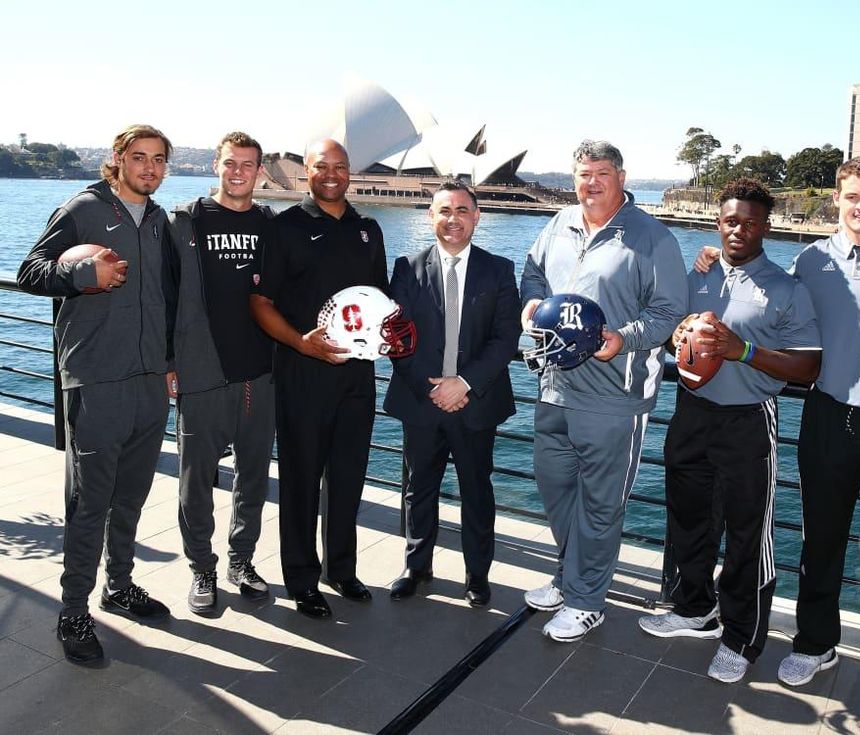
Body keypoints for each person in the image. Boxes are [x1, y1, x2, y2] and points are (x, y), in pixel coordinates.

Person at [695, 157, 860, 718]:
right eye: (852, 196)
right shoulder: (812, 260)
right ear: (837, 199)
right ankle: (815, 644)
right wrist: (710, 259)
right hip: (827, 419)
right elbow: (771, 302)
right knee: (821, 543)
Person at [637, 178, 821, 683]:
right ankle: (695, 608)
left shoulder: (786, 288)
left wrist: (744, 350)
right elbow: (672, 331)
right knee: (689, 519)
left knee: (747, 535)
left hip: (748, 420)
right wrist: (677, 335)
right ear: (718, 223)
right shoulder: (699, 275)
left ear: (766, 227)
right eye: (731, 221)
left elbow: (808, 367)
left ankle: (741, 638)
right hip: (691, 413)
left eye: (750, 223)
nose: (739, 230)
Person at [17, 124, 176, 664]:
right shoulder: (83, 209)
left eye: (159, 159)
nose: (150, 168)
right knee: (89, 503)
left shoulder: (158, 220)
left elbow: (165, 296)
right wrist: (84, 273)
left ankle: (120, 585)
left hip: (149, 379)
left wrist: (170, 363)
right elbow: (31, 271)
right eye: (140, 157)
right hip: (97, 378)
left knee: (131, 496)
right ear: (118, 158)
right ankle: (73, 611)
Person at [520, 140, 688, 641]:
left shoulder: (652, 237)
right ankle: (569, 577)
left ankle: (586, 601)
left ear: (621, 177)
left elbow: (669, 312)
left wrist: (624, 338)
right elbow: (532, 274)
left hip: (615, 397)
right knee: (555, 489)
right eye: (583, 174)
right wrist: (531, 303)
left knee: (599, 505)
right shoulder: (559, 224)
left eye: (602, 173)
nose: (591, 183)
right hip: (554, 386)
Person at [250, 138, 388, 619]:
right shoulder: (283, 227)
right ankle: (302, 579)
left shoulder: (368, 230)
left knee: (348, 478)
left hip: (358, 377)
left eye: (340, 166)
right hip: (303, 373)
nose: (331, 174)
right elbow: (260, 303)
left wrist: (394, 336)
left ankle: (342, 570)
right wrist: (300, 342)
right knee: (301, 481)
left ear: (351, 172)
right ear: (306, 171)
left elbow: (380, 302)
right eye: (321, 166)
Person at [384, 180, 521, 606]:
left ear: (476, 216)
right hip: (422, 401)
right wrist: (433, 389)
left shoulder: (499, 270)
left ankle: (477, 575)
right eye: (444, 210)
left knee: (476, 491)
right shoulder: (407, 267)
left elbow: (506, 338)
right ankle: (416, 566)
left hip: (475, 403)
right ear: (431, 216)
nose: (453, 219)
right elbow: (396, 336)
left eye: (462, 210)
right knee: (418, 488)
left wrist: (463, 383)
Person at [168, 132, 276, 615]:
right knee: (195, 481)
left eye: (247, 165)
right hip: (202, 372)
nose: (238, 172)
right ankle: (201, 567)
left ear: (260, 172)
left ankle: (241, 560)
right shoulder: (185, 221)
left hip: (260, 373)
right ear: (216, 165)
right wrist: (168, 362)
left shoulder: (271, 225)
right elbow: (164, 294)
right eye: (230, 163)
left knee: (253, 477)